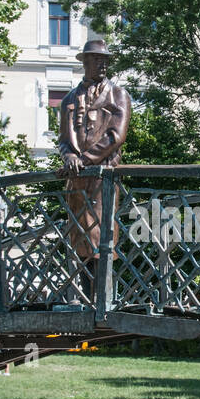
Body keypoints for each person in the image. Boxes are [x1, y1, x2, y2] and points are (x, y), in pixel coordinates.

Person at [56, 38, 132, 290]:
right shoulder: (68, 99)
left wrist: (84, 161)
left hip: (102, 178)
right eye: (96, 60)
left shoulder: (118, 95)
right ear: (85, 63)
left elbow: (115, 136)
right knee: (80, 240)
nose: (102, 65)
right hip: (76, 181)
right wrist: (69, 157)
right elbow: (64, 141)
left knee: (102, 241)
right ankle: (87, 302)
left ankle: (102, 303)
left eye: (105, 61)